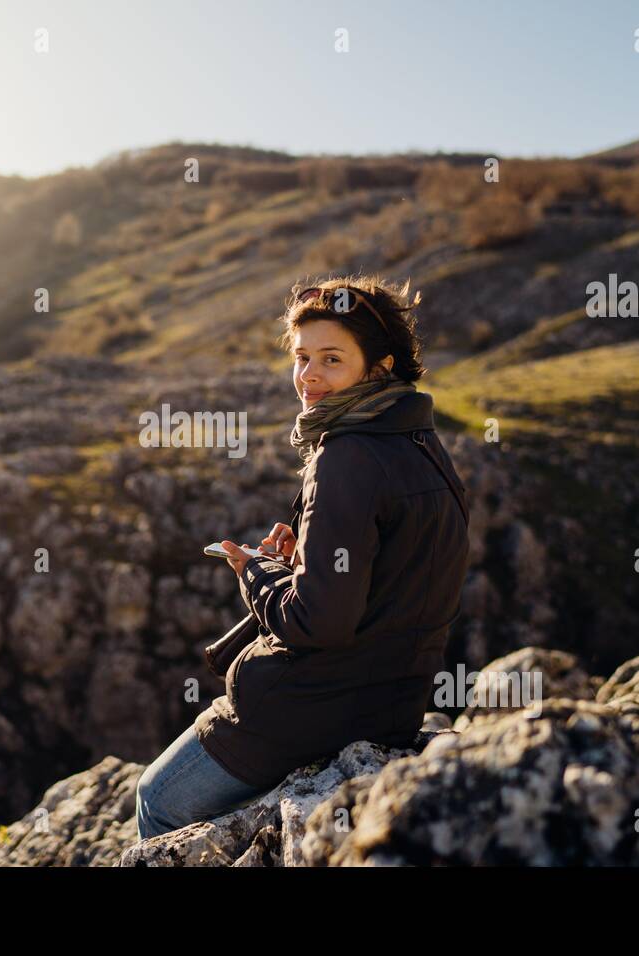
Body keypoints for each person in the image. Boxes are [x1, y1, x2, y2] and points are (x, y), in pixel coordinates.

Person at [134, 275, 471, 841]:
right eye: (302, 357)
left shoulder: (347, 456)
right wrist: (306, 566)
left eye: (332, 359)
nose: (309, 376)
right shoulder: (423, 445)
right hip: (392, 703)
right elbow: (390, 583)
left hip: (311, 710)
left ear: (379, 366)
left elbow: (321, 621)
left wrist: (257, 573)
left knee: (157, 799)